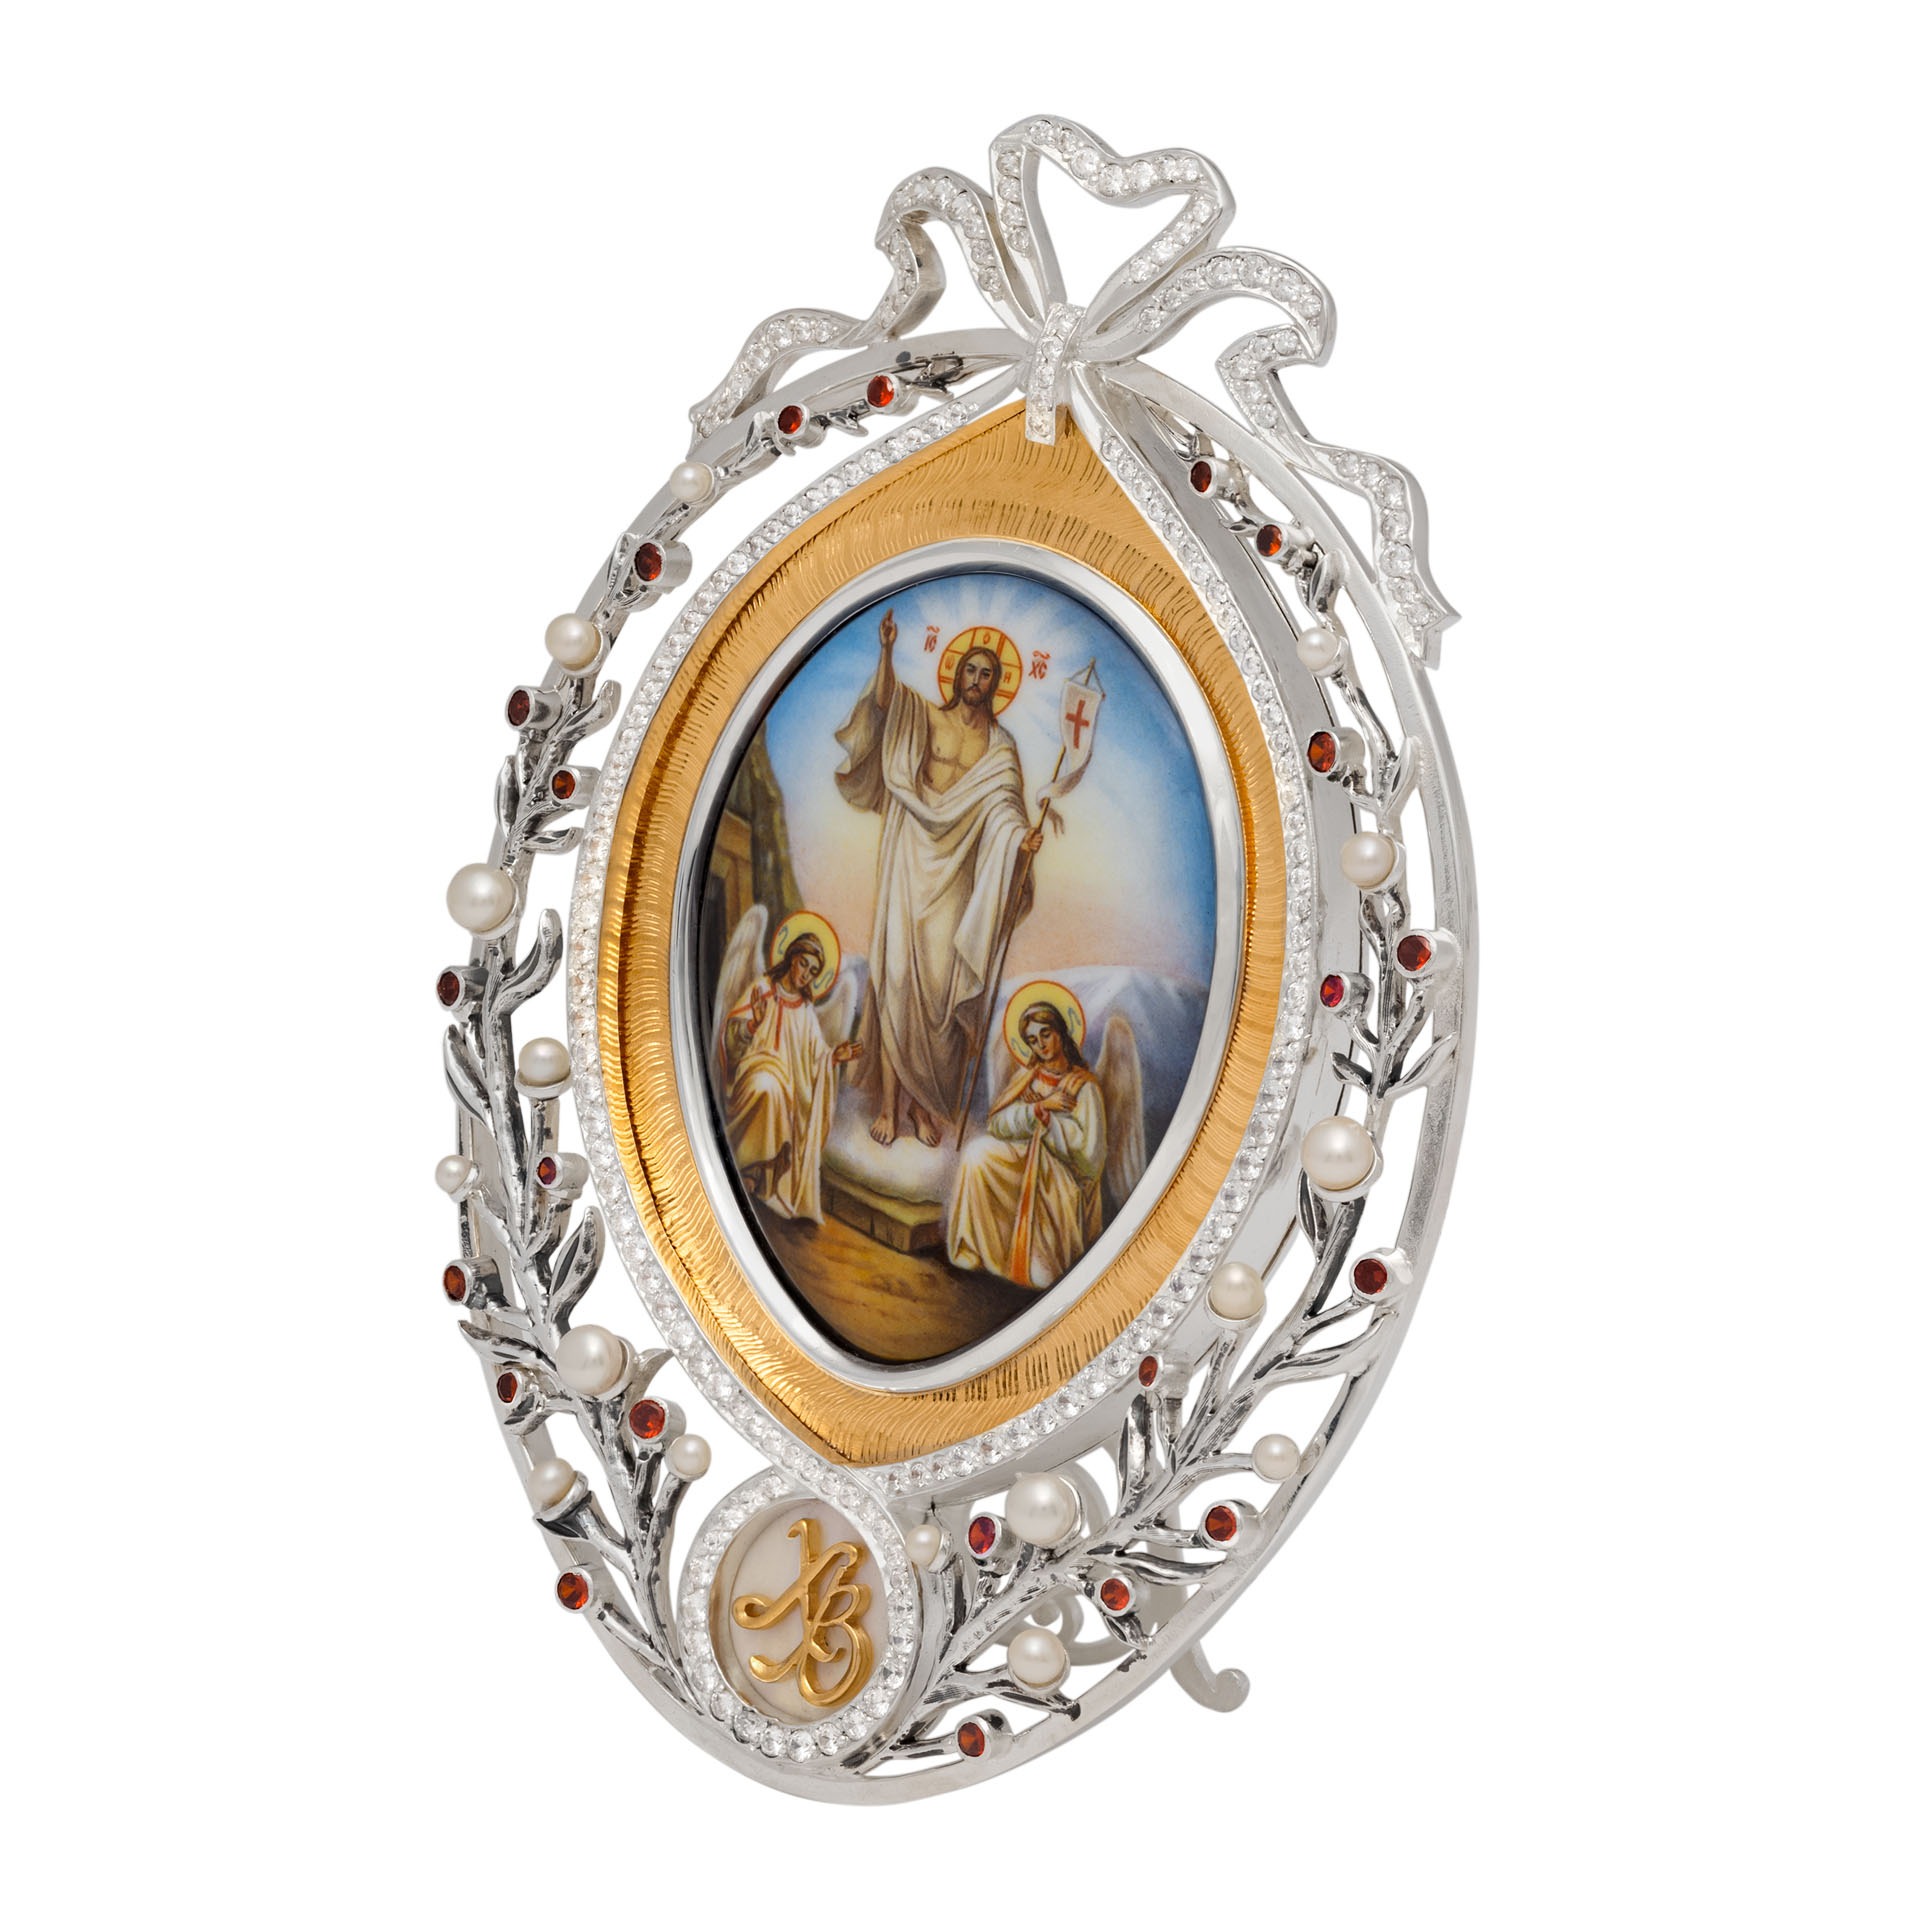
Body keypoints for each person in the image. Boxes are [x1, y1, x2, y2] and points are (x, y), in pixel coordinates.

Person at [834, 609, 1043, 1148]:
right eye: (971, 670)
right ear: (956, 674)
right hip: (910, 857)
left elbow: (1004, 808)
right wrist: (886, 652)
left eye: (987, 674)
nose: (977, 680)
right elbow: (883, 705)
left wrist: (1020, 841)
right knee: (898, 979)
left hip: (958, 872)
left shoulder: (1001, 747)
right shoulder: (924, 715)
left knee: (942, 992)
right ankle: (889, 1105)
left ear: (997, 684)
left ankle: (923, 1107)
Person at [947, 1001, 1106, 1290]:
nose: (1040, 1044)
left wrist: (1049, 1124)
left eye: (1045, 1034)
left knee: (1043, 1275)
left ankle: (1038, 1259)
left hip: (1060, 1175)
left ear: (1061, 1033)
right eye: (1032, 1040)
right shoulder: (1026, 1077)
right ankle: (976, 1248)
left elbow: (1090, 1157)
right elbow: (998, 1124)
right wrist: (1037, 1110)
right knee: (977, 1153)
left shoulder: (1084, 1087)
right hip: (1021, 1158)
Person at [716, 931, 859, 1222]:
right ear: (792, 958)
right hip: (754, 1070)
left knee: (778, 1092)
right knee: (768, 1087)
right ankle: (747, 1168)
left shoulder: (805, 1010)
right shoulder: (762, 989)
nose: (806, 974)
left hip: (786, 1086)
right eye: (804, 964)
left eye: (813, 971)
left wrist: (834, 1057)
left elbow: (816, 1055)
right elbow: (730, 1038)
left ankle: (761, 1178)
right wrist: (753, 1024)